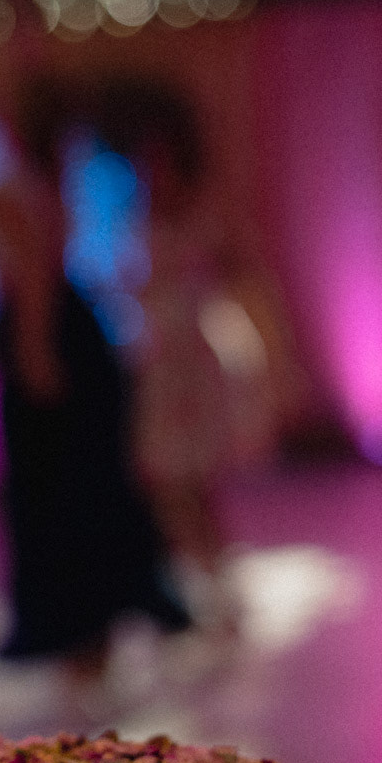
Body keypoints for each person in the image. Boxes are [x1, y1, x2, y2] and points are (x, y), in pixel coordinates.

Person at [0, 80, 188, 680]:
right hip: (68, 335)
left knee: (59, 486)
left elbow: (34, 278)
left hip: (48, 338)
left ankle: (75, 624)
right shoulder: (44, 185)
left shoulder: (20, 191)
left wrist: (34, 352)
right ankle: (90, 619)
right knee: (83, 482)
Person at [95, 79, 243, 627]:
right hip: (158, 368)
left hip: (188, 369)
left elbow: (217, 289)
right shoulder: (137, 226)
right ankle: (202, 588)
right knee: (169, 488)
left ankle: (219, 588)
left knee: (194, 486)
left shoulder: (201, 225)